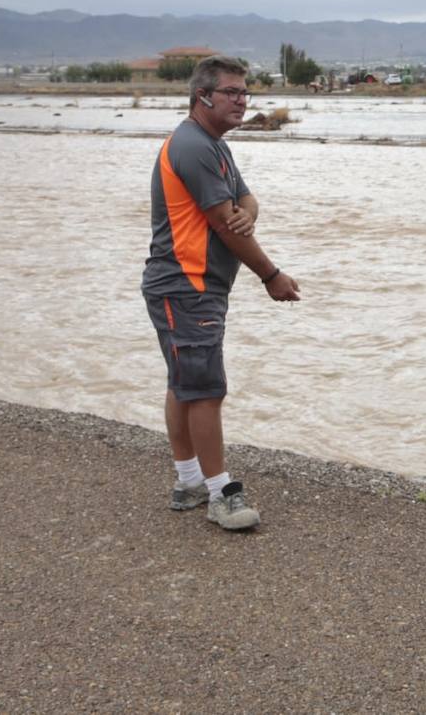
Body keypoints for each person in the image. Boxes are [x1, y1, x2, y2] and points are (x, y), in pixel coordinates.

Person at [142, 54, 301, 531]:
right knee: (206, 390)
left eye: (245, 92)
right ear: (202, 97)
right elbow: (225, 225)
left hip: (188, 286)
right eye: (231, 92)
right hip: (187, 286)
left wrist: (246, 212)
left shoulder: (212, 144)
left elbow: (244, 202)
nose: (242, 100)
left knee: (184, 384)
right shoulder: (193, 146)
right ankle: (220, 494)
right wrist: (271, 275)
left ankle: (189, 481)